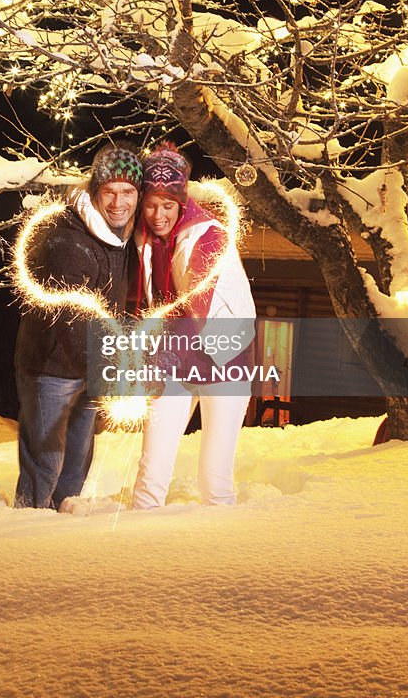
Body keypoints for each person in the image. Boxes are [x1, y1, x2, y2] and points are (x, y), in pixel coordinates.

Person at [13, 143, 142, 509]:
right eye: (110, 192)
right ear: (95, 191)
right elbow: (71, 322)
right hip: (50, 369)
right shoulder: (69, 241)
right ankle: (26, 525)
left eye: (128, 192)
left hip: (91, 365)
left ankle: (63, 534)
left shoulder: (120, 236)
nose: (119, 202)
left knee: (77, 464)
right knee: (46, 462)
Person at [131, 144, 256, 509]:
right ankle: (133, 552)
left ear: (181, 202)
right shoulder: (147, 239)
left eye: (167, 205)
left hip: (224, 359)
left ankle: (218, 559)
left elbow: (196, 309)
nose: (157, 214)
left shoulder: (209, 236)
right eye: (150, 204)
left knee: (214, 478)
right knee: (151, 468)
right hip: (177, 357)